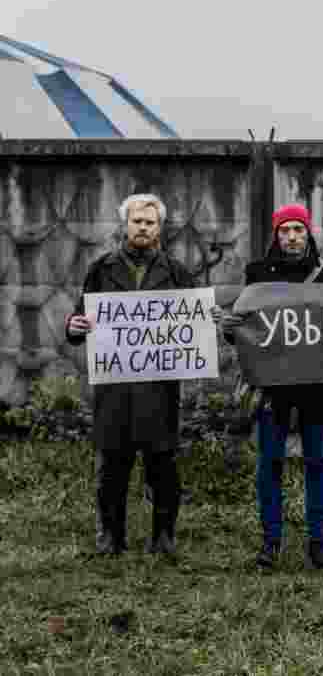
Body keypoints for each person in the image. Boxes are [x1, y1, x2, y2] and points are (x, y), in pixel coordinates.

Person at [217, 203, 323, 570]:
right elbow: (246, 332)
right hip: (272, 389)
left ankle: (318, 542)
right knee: (270, 463)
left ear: (308, 232)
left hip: (317, 388)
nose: (292, 237)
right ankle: (271, 542)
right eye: (285, 230)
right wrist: (228, 326)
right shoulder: (257, 275)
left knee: (316, 461)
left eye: (298, 229)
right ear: (276, 234)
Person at [66, 193, 194, 557]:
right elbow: (80, 319)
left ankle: (164, 538)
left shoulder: (177, 272)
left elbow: (192, 326)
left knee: (164, 465)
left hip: (159, 389)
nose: (143, 227)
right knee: (112, 466)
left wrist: (206, 321)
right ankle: (110, 539)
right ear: (125, 224)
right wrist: (75, 326)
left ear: (160, 228)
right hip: (114, 388)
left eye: (150, 222)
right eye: (137, 221)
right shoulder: (100, 269)